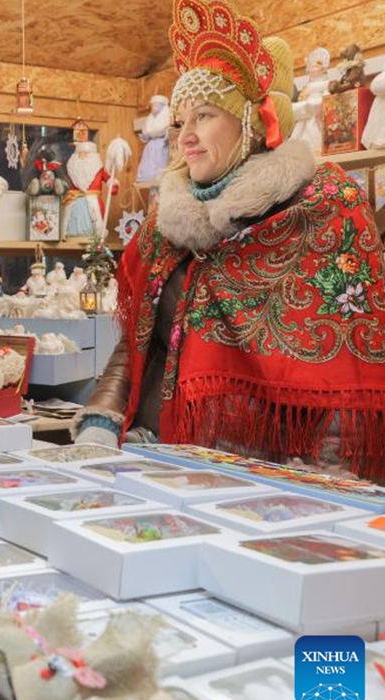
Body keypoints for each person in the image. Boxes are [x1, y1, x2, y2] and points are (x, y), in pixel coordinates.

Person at [73, 0, 385, 482]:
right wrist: (100, 419)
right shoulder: (167, 225)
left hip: (264, 477)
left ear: (251, 121)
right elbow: (138, 344)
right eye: (180, 121)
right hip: (158, 458)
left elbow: (345, 369)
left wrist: (327, 480)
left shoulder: (322, 211)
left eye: (203, 115)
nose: (186, 136)